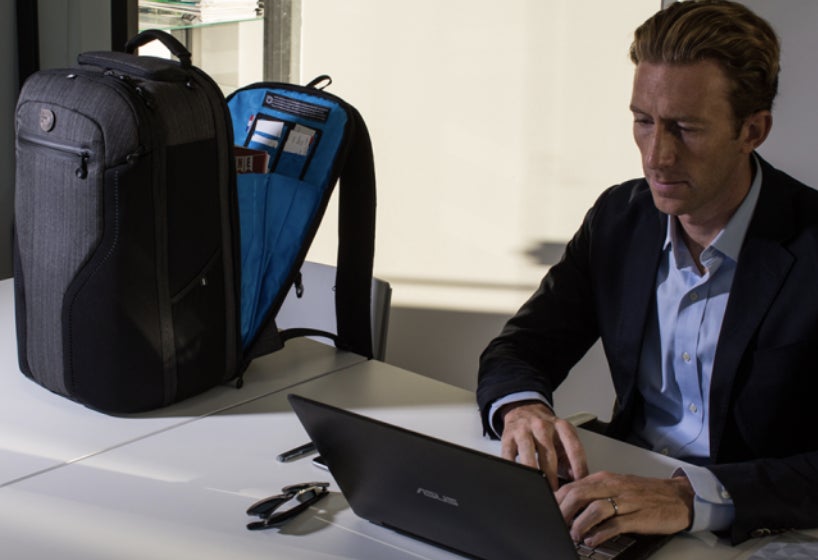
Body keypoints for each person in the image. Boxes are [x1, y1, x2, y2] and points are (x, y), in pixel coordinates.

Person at [477, 0, 818, 548]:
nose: (657, 156)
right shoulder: (620, 218)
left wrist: (689, 497)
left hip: (766, 526)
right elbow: (522, 347)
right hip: (623, 500)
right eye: (643, 121)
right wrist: (522, 408)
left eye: (686, 128)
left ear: (752, 130)